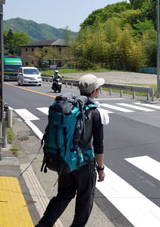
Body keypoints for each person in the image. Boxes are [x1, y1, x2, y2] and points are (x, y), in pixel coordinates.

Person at [36, 74, 107, 227]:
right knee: (84, 201)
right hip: (84, 164)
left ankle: (43, 224)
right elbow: (98, 145)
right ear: (94, 92)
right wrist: (100, 168)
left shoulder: (69, 108)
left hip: (65, 160)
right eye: (98, 88)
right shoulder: (95, 112)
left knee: (64, 194)